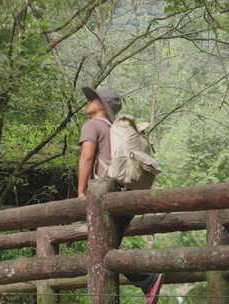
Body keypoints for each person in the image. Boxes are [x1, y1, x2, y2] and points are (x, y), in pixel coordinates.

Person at [77, 87, 164, 304]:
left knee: (102, 249)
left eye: (93, 99)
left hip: (105, 196)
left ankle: (148, 279)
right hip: (125, 195)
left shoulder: (92, 125)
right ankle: (147, 281)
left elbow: (87, 158)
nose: (89, 101)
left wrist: (80, 193)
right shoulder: (113, 130)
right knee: (107, 248)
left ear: (103, 106)